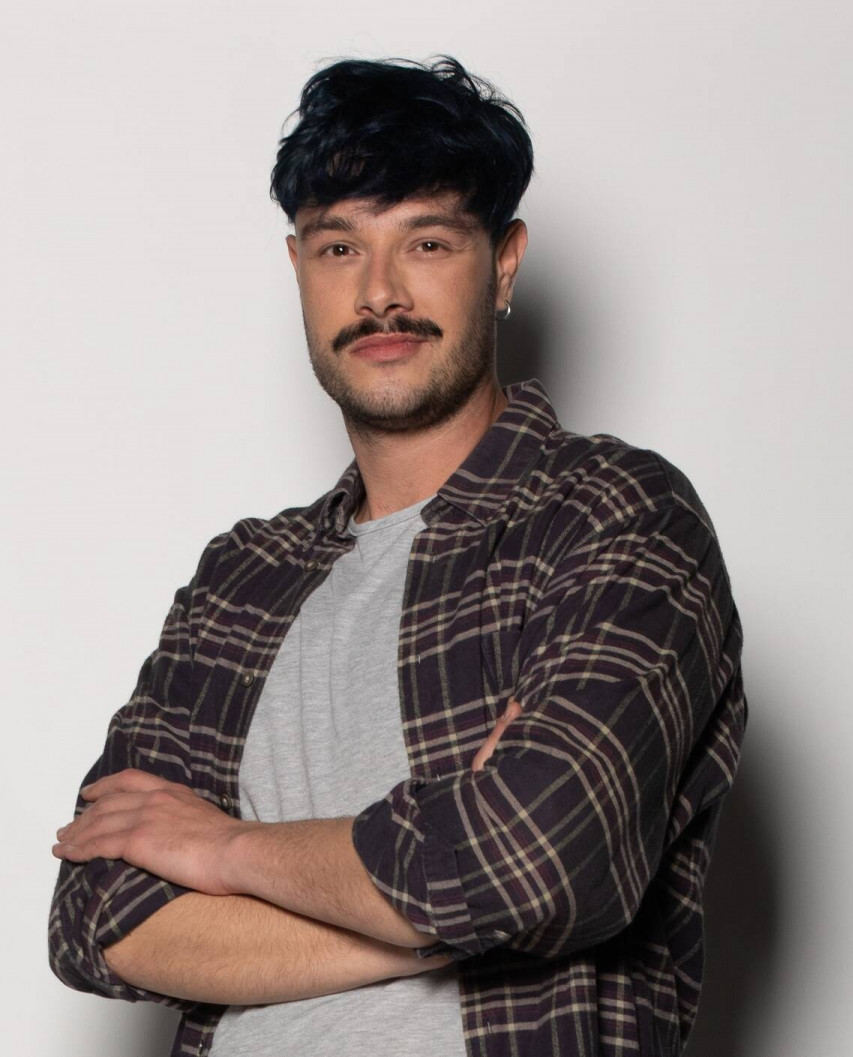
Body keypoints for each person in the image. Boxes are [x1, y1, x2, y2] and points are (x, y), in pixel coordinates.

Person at [49, 56, 746, 1057]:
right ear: (298, 268)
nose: (379, 292)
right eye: (340, 246)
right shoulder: (240, 580)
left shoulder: (609, 513)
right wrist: (449, 897)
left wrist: (225, 850)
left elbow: (534, 861)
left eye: (426, 241)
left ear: (503, 264)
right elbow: (96, 917)